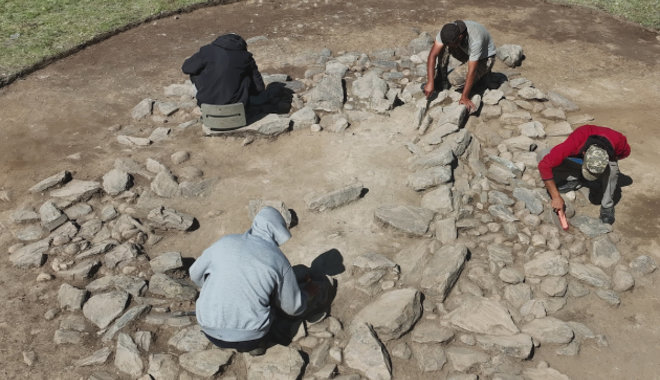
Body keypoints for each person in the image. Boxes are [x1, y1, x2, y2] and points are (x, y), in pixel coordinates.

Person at [189, 206, 318, 356]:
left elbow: (194, 274)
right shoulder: (278, 259)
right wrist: (307, 293)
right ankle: (257, 345)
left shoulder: (224, 242)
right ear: (278, 232)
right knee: (274, 301)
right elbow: (293, 308)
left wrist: (216, 288)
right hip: (250, 338)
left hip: (208, 329)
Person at [537, 125, 631, 224]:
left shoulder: (619, 142)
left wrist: (604, 165)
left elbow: (625, 153)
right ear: (584, 153)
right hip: (578, 153)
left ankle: (607, 206)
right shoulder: (575, 142)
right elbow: (544, 165)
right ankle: (576, 178)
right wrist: (556, 197)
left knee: (613, 168)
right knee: (543, 155)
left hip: (605, 156)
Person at [424, 20, 496, 112]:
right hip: (466, 51)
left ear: (460, 36)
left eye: (453, 44)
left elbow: (471, 71)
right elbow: (432, 55)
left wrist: (464, 97)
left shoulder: (475, 40)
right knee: (443, 47)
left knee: (454, 79)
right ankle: (441, 77)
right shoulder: (447, 31)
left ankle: (484, 74)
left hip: (485, 58)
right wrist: (430, 82)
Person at [182, 33, 265, 107]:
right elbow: (259, 87)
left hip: (207, 107)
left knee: (195, 70)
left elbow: (186, 68)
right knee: (246, 75)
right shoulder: (246, 57)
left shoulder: (207, 50)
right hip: (238, 109)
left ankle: (206, 97)